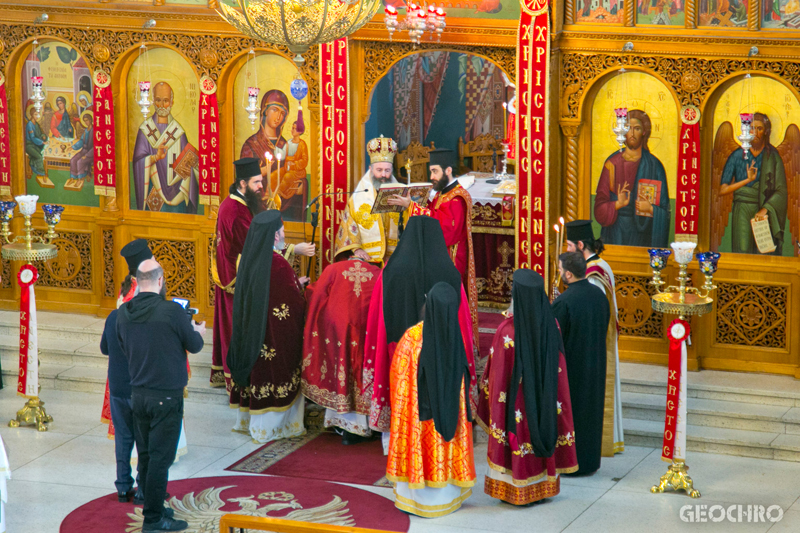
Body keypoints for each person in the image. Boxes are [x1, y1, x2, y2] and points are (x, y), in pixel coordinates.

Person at [362, 215, 477, 445]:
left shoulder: (391, 273)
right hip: (442, 355)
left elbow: (377, 319)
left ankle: (398, 441)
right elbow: (463, 323)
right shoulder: (450, 273)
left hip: (402, 352)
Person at [116, 259, 205, 532]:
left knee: (145, 456)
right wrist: (198, 331)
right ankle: (153, 520)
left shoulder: (123, 313)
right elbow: (195, 345)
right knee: (160, 460)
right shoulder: (171, 312)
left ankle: (152, 504)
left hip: (138, 395)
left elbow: (121, 346)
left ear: (136, 281)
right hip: (166, 397)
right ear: (160, 279)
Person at [210, 158, 314, 388]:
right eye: (256, 182)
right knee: (240, 329)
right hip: (237, 278)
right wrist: (293, 249)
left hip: (242, 270)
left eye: (261, 181)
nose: (261, 186)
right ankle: (239, 380)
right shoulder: (235, 210)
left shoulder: (245, 201)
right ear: (243, 183)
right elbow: (256, 246)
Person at [477, 270, 578, 505]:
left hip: (516, 403)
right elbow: (559, 369)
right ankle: (542, 488)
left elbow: (496, 377)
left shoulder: (506, 331)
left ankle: (515, 489)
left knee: (519, 431)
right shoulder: (552, 324)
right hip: (545, 398)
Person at [386, 282, 476, 517]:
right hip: (450, 419)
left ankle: (417, 501)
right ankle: (449, 498)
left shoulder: (412, 338)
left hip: (419, 419)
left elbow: (398, 378)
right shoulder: (457, 338)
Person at [388, 149, 479, 360]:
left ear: (448, 170)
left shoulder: (457, 199)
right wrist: (416, 203)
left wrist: (411, 206)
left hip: (452, 260)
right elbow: (433, 213)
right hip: (439, 258)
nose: (432, 177)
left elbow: (445, 227)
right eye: (431, 171)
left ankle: (452, 346)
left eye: (435, 172)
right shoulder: (441, 193)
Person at [226, 210, 307, 443]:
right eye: (281, 231)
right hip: (273, 334)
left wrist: (294, 283)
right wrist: (300, 289)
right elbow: (292, 303)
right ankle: (277, 427)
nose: (283, 234)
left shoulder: (250, 257)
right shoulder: (278, 264)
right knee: (278, 371)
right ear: (274, 236)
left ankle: (247, 423)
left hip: (252, 332)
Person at [301, 256, 381, 443]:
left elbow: (317, 295)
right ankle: (365, 424)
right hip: (366, 330)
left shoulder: (334, 269)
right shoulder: (377, 272)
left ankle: (342, 423)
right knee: (364, 369)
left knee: (341, 368)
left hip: (338, 331)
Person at [566, 220, 624, 456]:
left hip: (595, 343)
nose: (567, 250)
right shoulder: (601, 265)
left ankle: (598, 441)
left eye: (570, 245)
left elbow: (592, 312)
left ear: (581, 245)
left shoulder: (593, 273)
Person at [101, 239, 152, 500]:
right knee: (144, 440)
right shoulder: (145, 319)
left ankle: (122, 487)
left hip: (118, 386)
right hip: (140, 386)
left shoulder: (113, 317)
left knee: (123, 439)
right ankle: (144, 488)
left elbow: (104, 349)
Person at [551, 252, 610, 475]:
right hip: (596, 366)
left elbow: (555, 338)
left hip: (572, 370)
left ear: (568, 273)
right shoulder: (599, 296)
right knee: (592, 413)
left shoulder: (564, 302)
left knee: (572, 414)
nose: (559, 273)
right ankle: (590, 462)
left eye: (559, 270)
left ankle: (570, 464)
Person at [593, 109, 670, 248]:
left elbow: (666, 212)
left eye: (637, 129)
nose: (632, 134)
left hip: (642, 237)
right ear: (623, 131)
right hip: (614, 236)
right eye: (628, 128)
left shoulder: (655, 166)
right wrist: (617, 204)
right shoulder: (612, 164)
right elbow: (598, 209)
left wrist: (651, 209)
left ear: (644, 132)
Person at [719, 112, 788, 254]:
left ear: (766, 132)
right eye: (751, 128)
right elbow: (723, 189)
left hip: (764, 210)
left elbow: (781, 190)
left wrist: (766, 208)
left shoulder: (773, 156)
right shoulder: (737, 155)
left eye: (759, 128)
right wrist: (747, 180)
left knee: (765, 253)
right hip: (742, 209)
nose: (755, 132)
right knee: (742, 250)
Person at [132, 82, 198, 214]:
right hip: (153, 190)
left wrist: (190, 168)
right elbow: (138, 162)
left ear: (172, 102)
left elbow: (189, 161)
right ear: (152, 101)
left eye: (166, 101)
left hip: (177, 193)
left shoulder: (178, 132)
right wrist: (156, 157)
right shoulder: (145, 130)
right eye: (158, 100)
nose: (162, 105)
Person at [334, 135, 402, 264]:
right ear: (370, 170)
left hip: (395, 259)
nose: (383, 175)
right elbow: (349, 225)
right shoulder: (358, 198)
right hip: (369, 259)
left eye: (387, 170)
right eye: (379, 170)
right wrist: (356, 248)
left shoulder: (400, 194)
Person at [240, 89, 290, 211]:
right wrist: (262, 172)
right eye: (275, 110)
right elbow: (243, 178)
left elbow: (293, 175)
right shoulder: (251, 144)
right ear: (265, 111)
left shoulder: (285, 145)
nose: (278, 117)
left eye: (282, 113)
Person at [67, 110, 93, 190]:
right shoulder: (86, 131)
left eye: (87, 120)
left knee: (80, 161)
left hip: (91, 152)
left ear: (90, 120)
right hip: (84, 150)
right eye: (84, 121)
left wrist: (87, 155)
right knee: (73, 160)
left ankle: (79, 179)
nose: (86, 122)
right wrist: (73, 147)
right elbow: (81, 141)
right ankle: (72, 178)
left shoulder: (94, 131)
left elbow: (95, 146)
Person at [24, 104, 48, 183]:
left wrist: (43, 136)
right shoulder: (30, 125)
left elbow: (40, 133)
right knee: (38, 157)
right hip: (29, 145)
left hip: (35, 144)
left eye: (37, 114)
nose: (37, 116)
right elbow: (32, 138)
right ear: (31, 115)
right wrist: (42, 142)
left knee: (41, 154)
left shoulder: (36, 124)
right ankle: (42, 174)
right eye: (35, 114)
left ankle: (39, 171)